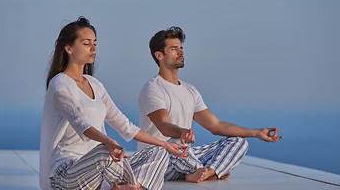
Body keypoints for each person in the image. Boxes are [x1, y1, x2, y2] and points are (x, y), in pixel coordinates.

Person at [39, 17, 189, 190]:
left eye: (95, 42)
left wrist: (165, 144)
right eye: (87, 43)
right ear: (69, 48)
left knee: (159, 152)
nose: (93, 48)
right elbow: (82, 124)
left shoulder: (95, 84)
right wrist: (110, 143)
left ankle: (129, 186)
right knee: (104, 152)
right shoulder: (60, 84)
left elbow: (124, 125)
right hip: (66, 175)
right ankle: (129, 186)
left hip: (100, 171)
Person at [138, 26, 283, 183]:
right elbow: (163, 125)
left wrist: (256, 132)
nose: (181, 52)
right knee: (174, 143)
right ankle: (210, 171)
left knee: (238, 141)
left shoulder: (190, 90)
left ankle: (207, 172)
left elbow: (216, 125)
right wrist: (182, 132)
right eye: (174, 49)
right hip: (159, 160)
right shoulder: (152, 89)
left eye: (181, 48)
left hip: (185, 158)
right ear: (159, 55)